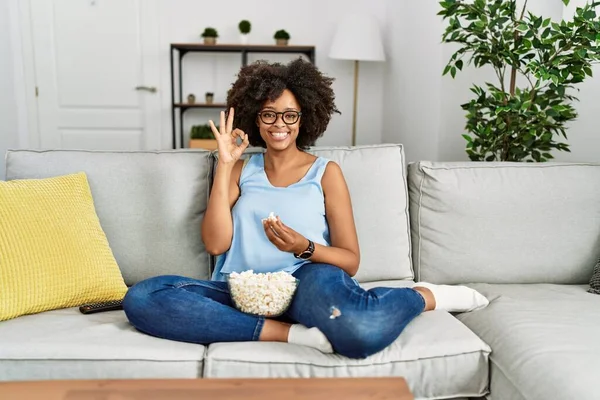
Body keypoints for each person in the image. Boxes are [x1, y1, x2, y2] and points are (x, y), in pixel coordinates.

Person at [123, 58, 488, 359]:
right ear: (255, 119)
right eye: (269, 115)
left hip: (306, 282)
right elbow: (216, 245)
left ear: (305, 118)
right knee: (142, 298)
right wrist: (223, 165)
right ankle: (285, 334)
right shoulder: (238, 168)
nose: (279, 125)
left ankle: (420, 296)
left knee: (361, 334)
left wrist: (304, 247)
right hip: (238, 290)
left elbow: (350, 260)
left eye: (290, 115)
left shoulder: (325, 173)